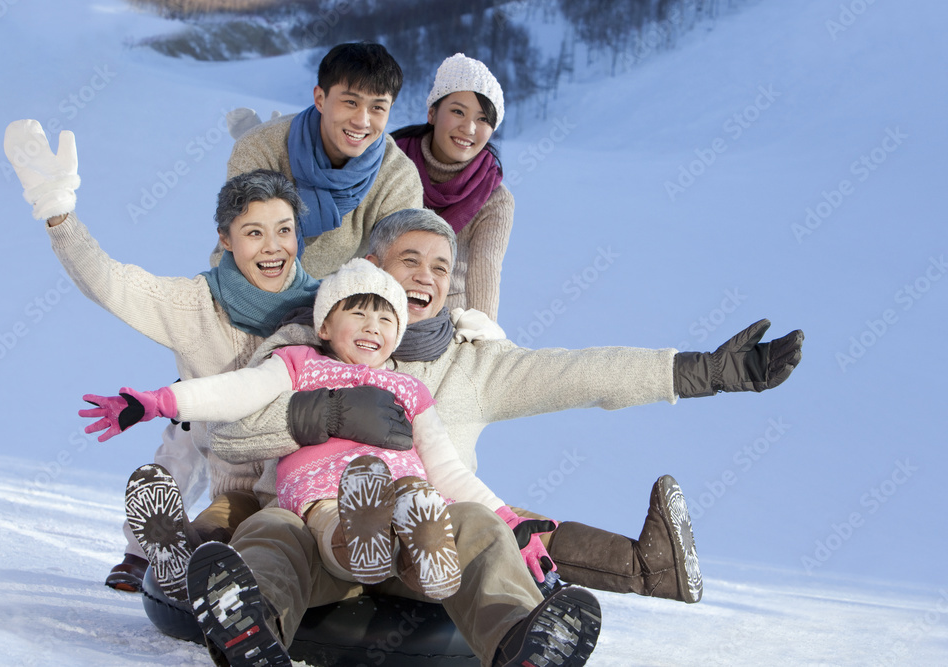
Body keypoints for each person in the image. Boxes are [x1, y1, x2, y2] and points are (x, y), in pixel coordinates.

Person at [209, 208, 804, 606]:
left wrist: (709, 372)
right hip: (313, 517)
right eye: (410, 260)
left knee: (500, 522)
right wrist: (322, 417)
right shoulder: (306, 346)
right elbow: (233, 433)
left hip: (430, 536)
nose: (426, 277)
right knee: (249, 522)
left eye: (441, 267)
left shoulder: (475, 363)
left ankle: (645, 568)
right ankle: (212, 585)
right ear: (373, 269)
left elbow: (579, 374)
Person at [2, 121, 411, 595]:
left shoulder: (323, 307)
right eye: (253, 233)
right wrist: (58, 213)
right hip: (229, 464)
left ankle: (184, 558)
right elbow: (110, 283)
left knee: (271, 527)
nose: (273, 246)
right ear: (225, 239)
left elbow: (381, 329)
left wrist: (462, 331)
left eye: (284, 230)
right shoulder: (193, 303)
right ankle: (158, 554)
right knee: (194, 463)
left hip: (306, 473)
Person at [80, 259, 556, 601]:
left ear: (397, 333)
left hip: (404, 492)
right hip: (324, 492)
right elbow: (238, 390)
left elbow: (448, 469)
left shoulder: (408, 389)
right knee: (333, 511)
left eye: (387, 317)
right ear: (325, 325)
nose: (373, 326)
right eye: (358, 313)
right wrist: (158, 401)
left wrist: (508, 520)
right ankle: (355, 547)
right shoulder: (298, 364)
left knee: (419, 492)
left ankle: (428, 557)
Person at [225, 41, 423, 279]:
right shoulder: (260, 148)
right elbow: (243, 252)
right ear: (320, 98)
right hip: (252, 288)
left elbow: (396, 272)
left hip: (346, 303)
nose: (362, 121)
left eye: (377, 108)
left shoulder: (398, 176)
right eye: (350, 102)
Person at [391, 53, 514, 320]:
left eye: (483, 119)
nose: (469, 128)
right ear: (432, 113)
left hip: (447, 317)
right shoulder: (393, 162)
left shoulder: (493, 198)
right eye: (458, 111)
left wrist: (482, 334)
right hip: (381, 301)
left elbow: (485, 272)